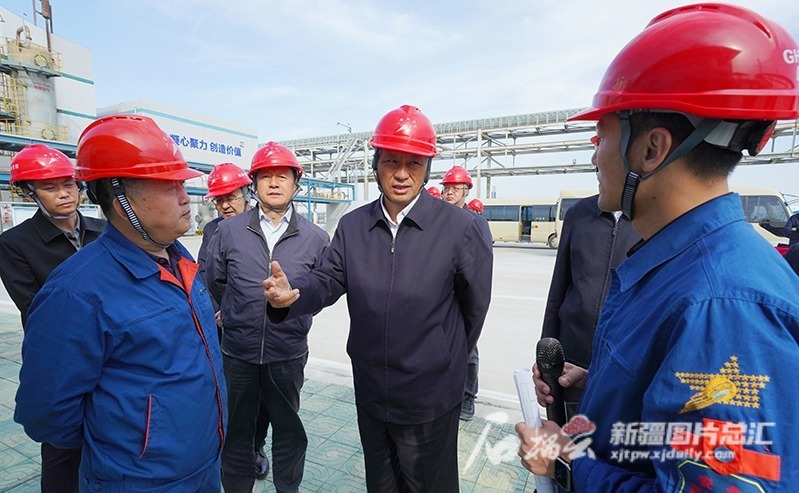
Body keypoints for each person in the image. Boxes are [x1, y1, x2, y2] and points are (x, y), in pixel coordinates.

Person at [517, 4, 799, 491]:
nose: (594, 157)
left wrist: (567, 461)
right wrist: (606, 386)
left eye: (602, 137)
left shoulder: (723, 307)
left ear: (651, 149)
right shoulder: (681, 264)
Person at [263, 105, 493, 492]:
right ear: (376, 164)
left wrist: (441, 357)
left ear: (427, 168)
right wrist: (293, 295)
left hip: (429, 396)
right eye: (391, 161)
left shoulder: (461, 228)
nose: (402, 173)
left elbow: (474, 309)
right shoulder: (354, 226)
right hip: (371, 389)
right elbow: (328, 279)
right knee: (381, 483)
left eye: (414, 163)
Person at [14, 114, 226, 493]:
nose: (185, 197)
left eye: (182, 183)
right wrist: (127, 449)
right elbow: (48, 413)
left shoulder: (181, 262)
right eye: (168, 185)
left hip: (205, 465)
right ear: (121, 199)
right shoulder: (76, 292)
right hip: (140, 481)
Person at [206, 142, 329, 493]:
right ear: (254, 184)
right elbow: (216, 280)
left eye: (282, 177)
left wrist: (292, 306)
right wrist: (234, 314)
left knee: (288, 431)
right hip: (239, 353)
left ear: (296, 184)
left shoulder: (316, 238)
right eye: (266, 177)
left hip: (287, 353)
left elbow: (322, 290)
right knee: (237, 432)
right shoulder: (228, 232)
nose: (274, 183)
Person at [0, 144, 105, 493]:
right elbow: (34, 309)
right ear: (29, 192)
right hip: (60, 362)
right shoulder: (15, 244)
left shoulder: (105, 230)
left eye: (69, 183)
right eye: (50, 187)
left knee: (112, 436)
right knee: (63, 447)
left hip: (112, 353)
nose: (64, 193)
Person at [540, 194, 639, 414]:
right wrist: (546, 358)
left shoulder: (655, 215)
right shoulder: (579, 214)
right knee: (567, 430)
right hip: (571, 360)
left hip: (624, 364)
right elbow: (558, 289)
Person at [441, 164, 483, 420]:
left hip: (463, 296)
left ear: (466, 191)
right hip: (440, 295)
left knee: (469, 350)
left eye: (455, 188)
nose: (449, 192)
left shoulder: (475, 222)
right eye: (446, 188)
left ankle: (468, 396)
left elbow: (479, 270)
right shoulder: (436, 219)